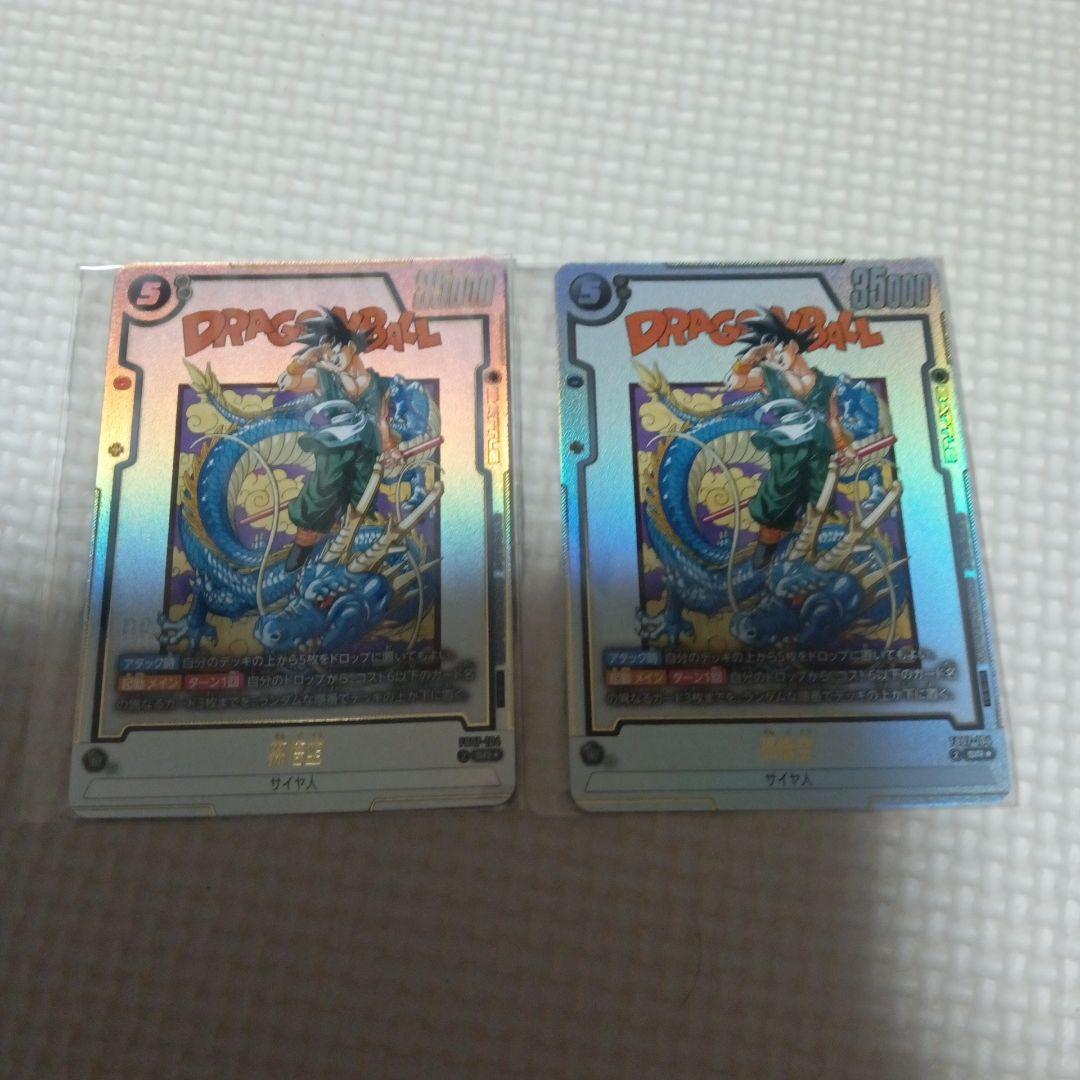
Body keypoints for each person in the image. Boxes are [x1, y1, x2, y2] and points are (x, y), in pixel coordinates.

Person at [724, 310, 858, 569]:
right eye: (768, 355)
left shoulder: (825, 382)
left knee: (819, 496)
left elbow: (832, 419)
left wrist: (843, 447)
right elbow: (734, 382)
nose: (774, 358)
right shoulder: (768, 376)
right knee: (779, 495)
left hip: (820, 447)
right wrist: (750, 358)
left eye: (778, 351)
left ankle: (809, 553)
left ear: (794, 346)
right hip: (789, 446)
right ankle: (765, 552)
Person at [276, 310, 402, 572]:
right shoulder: (323, 377)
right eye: (325, 354)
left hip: (367, 447)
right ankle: (303, 547)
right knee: (322, 491)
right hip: (336, 445)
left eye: (334, 350)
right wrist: (303, 361)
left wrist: (389, 447)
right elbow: (286, 383)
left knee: (362, 497)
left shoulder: (376, 383)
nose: (330, 357)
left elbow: (381, 418)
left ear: (351, 347)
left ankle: (345, 551)